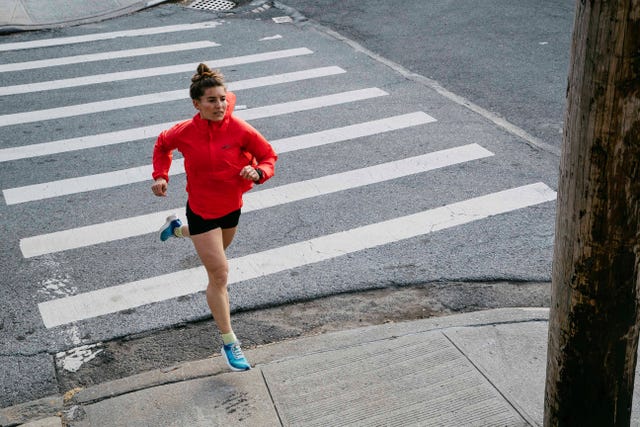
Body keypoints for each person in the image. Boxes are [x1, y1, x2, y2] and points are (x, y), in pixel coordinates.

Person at [151, 63, 277, 371]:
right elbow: (162, 145)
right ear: (197, 103)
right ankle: (229, 343)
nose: (219, 105)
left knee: (217, 249)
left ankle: (177, 229)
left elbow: (269, 156)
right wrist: (160, 175)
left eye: (222, 99)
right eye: (211, 100)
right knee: (219, 274)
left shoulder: (240, 129)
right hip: (202, 209)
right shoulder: (184, 132)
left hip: (232, 206)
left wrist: (258, 172)